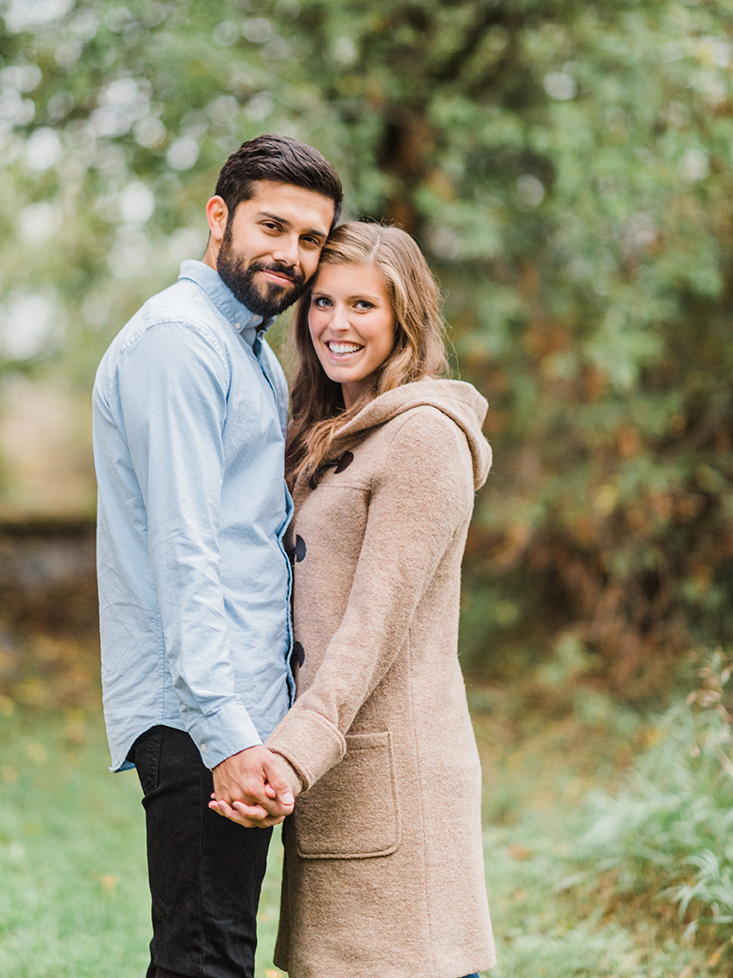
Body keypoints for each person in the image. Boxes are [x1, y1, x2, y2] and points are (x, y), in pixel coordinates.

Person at [211, 221, 496, 978]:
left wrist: (290, 758)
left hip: (394, 775)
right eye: (323, 303)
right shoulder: (333, 433)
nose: (337, 324)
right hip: (341, 774)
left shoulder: (423, 440)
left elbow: (373, 625)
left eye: (363, 306)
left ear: (404, 317)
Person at [92, 134, 342, 978]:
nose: (292, 256)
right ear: (218, 216)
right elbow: (184, 551)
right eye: (273, 227)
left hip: (233, 707)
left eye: (311, 240)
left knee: (214, 953)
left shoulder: (249, 353)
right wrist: (227, 733)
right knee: (206, 960)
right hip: (201, 712)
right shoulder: (179, 343)